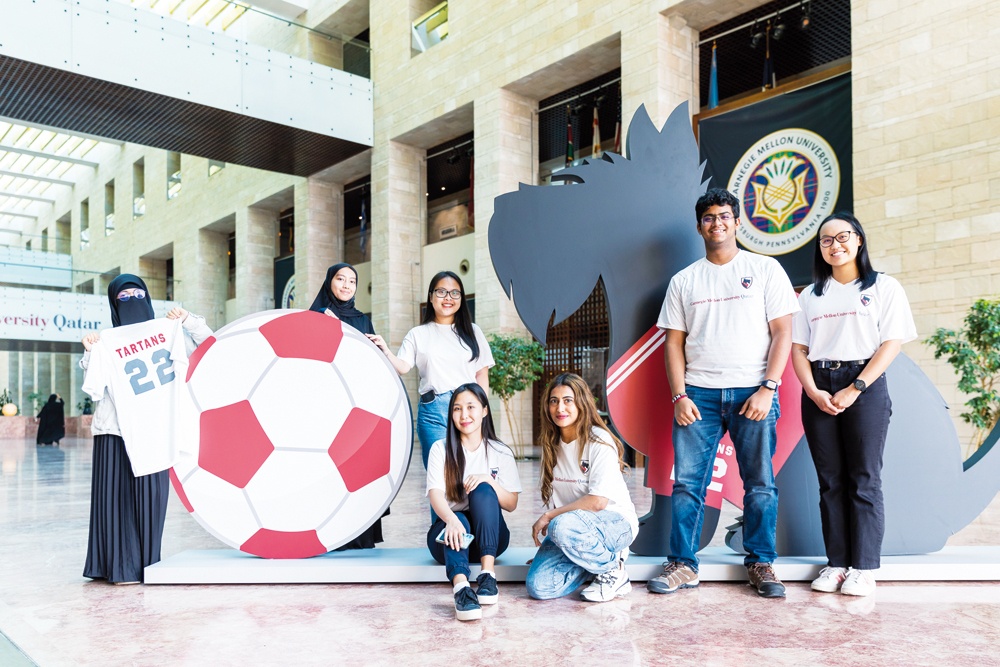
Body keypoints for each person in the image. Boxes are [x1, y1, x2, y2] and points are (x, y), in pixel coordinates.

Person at [647, 188, 799, 599]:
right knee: (687, 485)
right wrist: (679, 396)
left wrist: (768, 387)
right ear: (700, 227)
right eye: (709, 217)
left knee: (760, 483)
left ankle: (761, 562)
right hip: (699, 395)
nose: (717, 223)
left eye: (725, 216)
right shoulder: (684, 280)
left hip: (754, 392)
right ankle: (682, 563)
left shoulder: (764, 269)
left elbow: (783, 332)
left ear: (737, 222)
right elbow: (673, 344)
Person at [792, 212, 915, 597]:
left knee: (863, 478)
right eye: (826, 240)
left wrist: (856, 387)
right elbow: (798, 349)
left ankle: (863, 568)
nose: (835, 245)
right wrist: (813, 391)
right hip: (819, 386)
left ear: (859, 239)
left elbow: (891, 343)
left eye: (843, 236)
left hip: (864, 384)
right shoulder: (810, 296)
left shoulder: (883, 287)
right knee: (830, 481)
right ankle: (837, 564)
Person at [80, 274, 213, 584]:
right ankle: (115, 567)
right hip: (115, 432)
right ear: (114, 304)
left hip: (156, 429)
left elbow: (209, 345)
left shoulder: (170, 332)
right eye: (124, 297)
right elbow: (95, 388)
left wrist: (188, 320)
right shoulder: (106, 341)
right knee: (115, 500)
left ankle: (147, 565)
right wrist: (90, 352)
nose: (132, 301)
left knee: (152, 499)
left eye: (138, 294)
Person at [526, 373, 638, 603]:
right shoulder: (551, 445)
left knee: (559, 524)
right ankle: (591, 560)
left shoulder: (599, 441)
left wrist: (549, 516)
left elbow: (597, 502)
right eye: (554, 401)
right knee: (539, 586)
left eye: (568, 400)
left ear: (582, 403)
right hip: (573, 528)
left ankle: (613, 570)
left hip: (616, 524)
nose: (560, 408)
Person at [370, 271, 494, 469]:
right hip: (433, 412)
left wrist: (480, 408)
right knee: (439, 472)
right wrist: (386, 350)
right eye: (441, 292)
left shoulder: (473, 331)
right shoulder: (418, 334)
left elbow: (482, 374)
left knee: (470, 470)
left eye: (455, 293)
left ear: (461, 298)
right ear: (430, 296)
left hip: (468, 408)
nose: (448, 298)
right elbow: (402, 367)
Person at [426, 383, 521, 621]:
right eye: (457, 409)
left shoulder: (500, 451)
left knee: (483, 489)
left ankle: (487, 576)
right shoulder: (440, 449)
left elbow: (511, 503)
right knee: (459, 518)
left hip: (490, 541)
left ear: (484, 410)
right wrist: (451, 520)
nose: (464, 415)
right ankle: (462, 589)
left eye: (471, 407)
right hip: (448, 539)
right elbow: (435, 494)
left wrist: (488, 480)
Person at [310, 262, 387, 550]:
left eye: (352, 281)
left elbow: (371, 363)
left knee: (357, 470)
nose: (346, 285)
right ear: (329, 282)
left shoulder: (363, 320)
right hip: (327, 407)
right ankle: (329, 536)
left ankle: (359, 538)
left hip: (358, 406)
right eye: (340, 279)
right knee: (329, 470)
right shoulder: (317, 315)